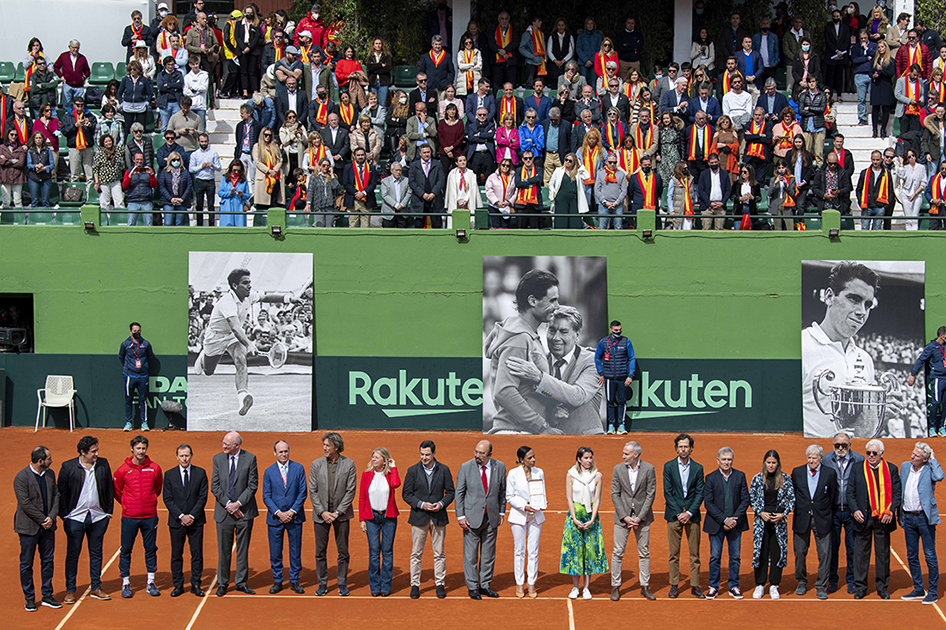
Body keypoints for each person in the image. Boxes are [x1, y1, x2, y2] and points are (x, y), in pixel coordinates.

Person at [58, 436, 113, 604]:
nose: (97, 454)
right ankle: (70, 589)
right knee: (73, 554)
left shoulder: (103, 464)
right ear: (83, 452)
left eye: (97, 450)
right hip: (75, 518)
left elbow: (109, 488)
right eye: (93, 451)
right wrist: (65, 515)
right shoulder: (68, 467)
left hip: (98, 517)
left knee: (96, 553)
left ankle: (96, 586)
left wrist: (108, 512)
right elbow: (61, 493)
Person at [847, 439, 902, 599]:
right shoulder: (857, 469)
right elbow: (850, 492)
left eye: (874, 453)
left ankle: (882, 587)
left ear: (881, 454)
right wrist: (855, 510)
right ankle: (861, 587)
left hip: (883, 518)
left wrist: (891, 510)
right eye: (868, 453)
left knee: (883, 554)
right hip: (863, 518)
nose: (871, 456)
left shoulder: (891, 469)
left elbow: (897, 493)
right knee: (861, 555)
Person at [401, 440, 453, 599]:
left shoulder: (444, 470)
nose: (424, 457)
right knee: (416, 553)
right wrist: (422, 504)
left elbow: (450, 492)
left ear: (434, 454)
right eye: (422, 454)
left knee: (439, 553)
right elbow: (406, 494)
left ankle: (440, 584)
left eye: (427, 455)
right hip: (419, 517)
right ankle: (415, 584)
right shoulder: (412, 471)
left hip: (438, 517)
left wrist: (441, 504)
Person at [113, 435, 163, 599]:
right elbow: (117, 491)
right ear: (132, 449)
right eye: (138, 448)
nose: (141, 451)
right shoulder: (122, 471)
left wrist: (148, 502)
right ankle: (126, 583)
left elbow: (157, 489)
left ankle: (151, 582)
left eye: (143, 448)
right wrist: (129, 505)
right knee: (126, 549)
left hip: (150, 517)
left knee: (150, 549)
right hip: (129, 517)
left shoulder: (155, 468)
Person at [456, 440, 506, 599]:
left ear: (490, 454)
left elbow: (502, 492)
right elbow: (459, 493)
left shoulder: (500, 467)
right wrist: (461, 515)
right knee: (470, 556)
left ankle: (485, 584)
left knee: (488, 554)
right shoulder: (465, 467)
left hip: (491, 517)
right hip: (471, 519)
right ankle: (472, 586)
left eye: (481, 453)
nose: (477, 455)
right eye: (476, 452)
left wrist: (501, 513)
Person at [308, 432, 357, 596]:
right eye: (324, 445)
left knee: (343, 551)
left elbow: (350, 491)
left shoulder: (349, 464)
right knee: (320, 552)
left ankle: (342, 584)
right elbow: (313, 491)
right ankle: (322, 583)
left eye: (328, 445)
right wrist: (322, 512)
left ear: (336, 447)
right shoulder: (316, 464)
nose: (325, 448)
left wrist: (336, 512)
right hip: (321, 516)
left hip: (341, 516)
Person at [211, 431, 258, 597]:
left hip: (244, 512)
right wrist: (228, 505)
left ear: (237, 446)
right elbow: (215, 486)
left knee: (242, 549)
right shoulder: (217, 459)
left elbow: (252, 485)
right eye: (223, 442)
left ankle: (241, 582)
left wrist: (238, 504)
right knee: (223, 550)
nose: (223, 446)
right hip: (224, 513)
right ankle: (222, 583)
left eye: (227, 444)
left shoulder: (250, 458)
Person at [790, 444, 839, 600]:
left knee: (824, 554)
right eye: (809, 457)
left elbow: (832, 496)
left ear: (821, 458)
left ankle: (820, 585)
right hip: (802, 518)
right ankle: (802, 581)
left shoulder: (830, 473)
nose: (811, 461)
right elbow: (793, 493)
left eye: (814, 458)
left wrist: (822, 510)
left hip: (822, 519)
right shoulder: (797, 473)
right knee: (799, 553)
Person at [610, 441, 656, 601]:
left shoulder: (649, 469)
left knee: (644, 553)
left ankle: (645, 586)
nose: (623, 456)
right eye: (623, 453)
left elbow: (651, 494)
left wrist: (639, 517)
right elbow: (615, 493)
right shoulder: (618, 469)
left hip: (642, 519)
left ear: (636, 455)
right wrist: (624, 516)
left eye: (626, 454)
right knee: (617, 552)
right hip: (623, 518)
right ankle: (615, 587)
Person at [15, 445, 59, 612]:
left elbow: (56, 495)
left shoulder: (50, 474)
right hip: (28, 528)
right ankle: (30, 598)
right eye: (49, 459)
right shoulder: (21, 477)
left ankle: (47, 595)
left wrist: (51, 517)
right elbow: (25, 503)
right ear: (40, 461)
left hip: (47, 527)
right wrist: (43, 519)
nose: (51, 460)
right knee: (27, 563)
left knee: (47, 561)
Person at [560, 446, 608, 599]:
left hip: (590, 517)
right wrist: (574, 518)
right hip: (574, 516)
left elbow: (597, 499)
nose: (589, 461)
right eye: (586, 458)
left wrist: (592, 519)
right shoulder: (571, 475)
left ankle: (586, 587)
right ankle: (575, 587)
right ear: (579, 459)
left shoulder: (597, 476)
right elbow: (569, 498)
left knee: (589, 551)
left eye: (590, 457)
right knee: (575, 551)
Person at [702, 447, 749, 599]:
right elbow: (708, 503)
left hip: (736, 524)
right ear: (718, 461)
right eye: (724, 459)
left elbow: (745, 499)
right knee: (715, 556)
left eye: (729, 459)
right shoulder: (710, 478)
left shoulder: (740, 476)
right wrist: (724, 519)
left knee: (735, 557)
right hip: (717, 524)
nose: (726, 462)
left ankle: (734, 585)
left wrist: (734, 519)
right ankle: (714, 586)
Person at [261, 440, 307, 595]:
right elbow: (266, 496)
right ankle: (277, 580)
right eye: (280, 452)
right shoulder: (268, 472)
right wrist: (279, 513)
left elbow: (302, 493)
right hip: (275, 518)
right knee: (275, 551)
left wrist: (292, 512)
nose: (283, 454)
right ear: (275, 453)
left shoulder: (298, 468)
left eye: (286, 451)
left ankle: (294, 580)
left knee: (295, 550)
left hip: (295, 517)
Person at [899, 442, 943, 604]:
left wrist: (933, 459)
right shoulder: (905, 467)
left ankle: (932, 591)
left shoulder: (930, 469)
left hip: (925, 518)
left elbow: (940, 476)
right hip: (908, 517)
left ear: (924, 459)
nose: (912, 457)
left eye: (916, 456)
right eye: (912, 453)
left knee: (930, 555)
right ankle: (918, 588)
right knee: (911, 554)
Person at [748, 450, 794, 600]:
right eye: (769, 462)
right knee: (760, 551)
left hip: (778, 523)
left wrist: (783, 514)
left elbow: (792, 499)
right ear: (764, 463)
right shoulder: (757, 479)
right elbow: (751, 498)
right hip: (761, 522)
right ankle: (760, 584)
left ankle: (774, 584)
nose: (771, 465)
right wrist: (760, 512)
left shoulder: (785, 479)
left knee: (777, 552)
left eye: (774, 463)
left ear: (778, 464)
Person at [163, 443, 208, 598]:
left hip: (196, 521)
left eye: (187, 455)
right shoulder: (169, 475)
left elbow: (203, 497)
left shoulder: (200, 473)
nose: (184, 458)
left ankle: (196, 583)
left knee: (196, 553)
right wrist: (181, 516)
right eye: (181, 455)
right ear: (177, 457)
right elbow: (167, 499)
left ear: (191, 456)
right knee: (176, 554)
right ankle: (178, 585)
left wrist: (192, 516)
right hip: (177, 522)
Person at [664, 433, 705, 598]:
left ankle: (695, 585)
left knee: (694, 553)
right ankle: (674, 585)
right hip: (674, 516)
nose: (683, 449)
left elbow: (700, 493)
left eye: (686, 446)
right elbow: (668, 492)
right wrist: (678, 513)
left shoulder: (698, 468)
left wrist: (688, 512)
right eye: (680, 446)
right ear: (676, 449)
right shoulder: (668, 467)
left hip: (692, 516)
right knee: (673, 553)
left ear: (691, 448)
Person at [357, 447, 400, 597]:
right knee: (374, 552)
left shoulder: (389, 475)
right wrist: (362, 519)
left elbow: (396, 484)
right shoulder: (366, 475)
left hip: (389, 517)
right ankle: (375, 586)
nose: (374, 459)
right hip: (371, 517)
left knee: (387, 552)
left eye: (377, 457)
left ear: (384, 460)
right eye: (373, 457)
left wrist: (393, 467)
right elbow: (362, 497)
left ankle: (386, 587)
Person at [118, 322, 154, 432]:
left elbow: (150, 357)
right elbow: (121, 357)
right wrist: (129, 367)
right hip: (129, 376)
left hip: (142, 376)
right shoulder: (125, 344)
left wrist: (143, 366)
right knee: (128, 399)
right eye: (135, 331)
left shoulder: (146, 344)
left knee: (143, 399)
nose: (137, 333)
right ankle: (128, 423)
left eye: (139, 331)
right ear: (130, 332)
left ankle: (144, 423)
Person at [409, 145, 445, 229]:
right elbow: (412, 182)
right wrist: (422, 194)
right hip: (419, 200)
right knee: (419, 226)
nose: (426, 154)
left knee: (436, 225)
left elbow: (441, 180)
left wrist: (433, 193)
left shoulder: (438, 164)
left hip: (435, 200)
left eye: (428, 152)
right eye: (424, 152)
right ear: (420, 153)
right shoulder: (414, 165)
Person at [189, 133, 221, 226]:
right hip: (199, 180)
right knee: (199, 204)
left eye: (205, 141)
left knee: (211, 205)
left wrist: (212, 165)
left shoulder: (213, 153)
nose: (204, 143)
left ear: (208, 141)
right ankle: (199, 225)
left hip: (210, 180)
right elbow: (191, 169)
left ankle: (211, 225)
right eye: (202, 141)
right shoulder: (195, 154)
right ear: (198, 142)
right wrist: (200, 167)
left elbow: (219, 168)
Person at [61, 96, 96, 181]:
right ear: (73, 105)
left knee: (89, 175)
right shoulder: (68, 116)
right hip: (74, 147)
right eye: (77, 105)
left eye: (81, 105)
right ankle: (75, 193)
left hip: (87, 146)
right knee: (74, 175)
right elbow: (64, 131)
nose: (80, 107)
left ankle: (90, 193)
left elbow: (95, 129)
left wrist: (90, 126)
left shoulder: (89, 115)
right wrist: (75, 126)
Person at [855, 150, 891, 230]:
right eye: (873, 159)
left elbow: (890, 191)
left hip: (880, 206)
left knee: (877, 230)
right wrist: (861, 201)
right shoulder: (864, 172)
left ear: (881, 160)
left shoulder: (886, 173)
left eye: (877, 160)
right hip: (866, 206)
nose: (875, 162)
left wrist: (885, 206)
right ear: (871, 159)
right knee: (864, 229)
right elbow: (859, 189)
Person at [342, 147, 378, 228]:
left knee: (366, 227)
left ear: (365, 155)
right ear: (354, 156)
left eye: (362, 155)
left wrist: (363, 193)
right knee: (352, 226)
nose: (360, 157)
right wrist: (356, 193)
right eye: (358, 155)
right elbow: (346, 183)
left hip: (366, 200)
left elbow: (373, 183)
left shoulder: (371, 168)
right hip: (353, 201)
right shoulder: (348, 167)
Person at [117, 60, 153, 136]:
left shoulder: (144, 80)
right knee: (128, 127)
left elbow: (149, 93)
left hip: (140, 106)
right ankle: (127, 143)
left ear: (139, 70)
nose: (132, 71)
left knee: (140, 127)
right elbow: (119, 92)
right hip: (128, 106)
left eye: (134, 69)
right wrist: (121, 103)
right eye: (130, 69)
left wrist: (147, 102)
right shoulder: (125, 79)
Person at [157, 151, 192, 226]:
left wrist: (182, 198)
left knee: (179, 223)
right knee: (168, 223)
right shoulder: (165, 172)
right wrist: (170, 199)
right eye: (173, 160)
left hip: (181, 201)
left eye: (178, 160)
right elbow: (162, 187)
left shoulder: (185, 172)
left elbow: (189, 186)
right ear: (170, 161)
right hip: (168, 201)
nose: (176, 162)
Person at [53, 40, 90, 109]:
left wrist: (83, 77)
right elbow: (55, 67)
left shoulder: (82, 58)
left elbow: (87, 71)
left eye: (77, 48)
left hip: (79, 85)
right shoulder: (63, 56)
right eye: (73, 47)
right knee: (66, 105)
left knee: (79, 106)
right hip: (67, 84)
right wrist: (61, 76)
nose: (75, 49)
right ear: (69, 47)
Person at [25, 132, 54, 209]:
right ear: (34, 140)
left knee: (46, 201)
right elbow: (28, 164)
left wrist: (44, 168)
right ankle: (34, 219)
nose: (38, 140)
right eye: (36, 138)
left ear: (42, 139)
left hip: (46, 177)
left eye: (40, 138)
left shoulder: (48, 150)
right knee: (34, 201)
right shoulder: (30, 151)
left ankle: (47, 219)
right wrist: (36, 166)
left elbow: (52, 164)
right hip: (33, 177)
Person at [218, 159, 251, 227]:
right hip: (227, 206)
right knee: (226, 227)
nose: (236, 172)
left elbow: (247, 195)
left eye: (238, 171)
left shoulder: (244, 180)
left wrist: (242, 195)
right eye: (234, 170)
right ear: (231, 169)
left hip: (239, 206)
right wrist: (229, 193)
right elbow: (220, 193)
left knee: (240, 227)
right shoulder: (224, 178)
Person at [927, 159, 946, 230]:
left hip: (945, 206)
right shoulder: (933, 178)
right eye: (942, 168)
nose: (944, 170)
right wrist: (932, 200)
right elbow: (927, 192)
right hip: (935, 206)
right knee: (932, 228)